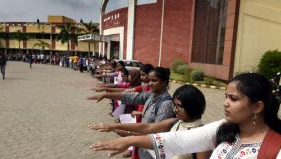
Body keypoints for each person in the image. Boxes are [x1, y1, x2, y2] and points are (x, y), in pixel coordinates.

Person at [91, 73, 281, 159]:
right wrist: (129, 140)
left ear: (257, 107)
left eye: (233, 98)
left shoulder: (275, 148)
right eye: (225, 97)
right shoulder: (224, 128)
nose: (225, 103)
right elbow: (179, 140)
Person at [89, 84, 211, 159]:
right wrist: (113, 126)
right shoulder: (175, 122)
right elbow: (147, 128)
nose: (175, 109)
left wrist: (127, 139)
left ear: (192, 106)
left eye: (179, 106)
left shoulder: (201, 136)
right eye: (174, 105)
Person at [87, 67, 175, 159]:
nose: (150, 83)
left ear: (164, 82)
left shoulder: (166, 104)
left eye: (154, 80)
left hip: (153, 153)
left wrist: (126, 136)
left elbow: (155, 134)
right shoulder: (152, 95)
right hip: (143, 150)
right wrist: (106, 95)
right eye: (149, 80)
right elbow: (130, 97)